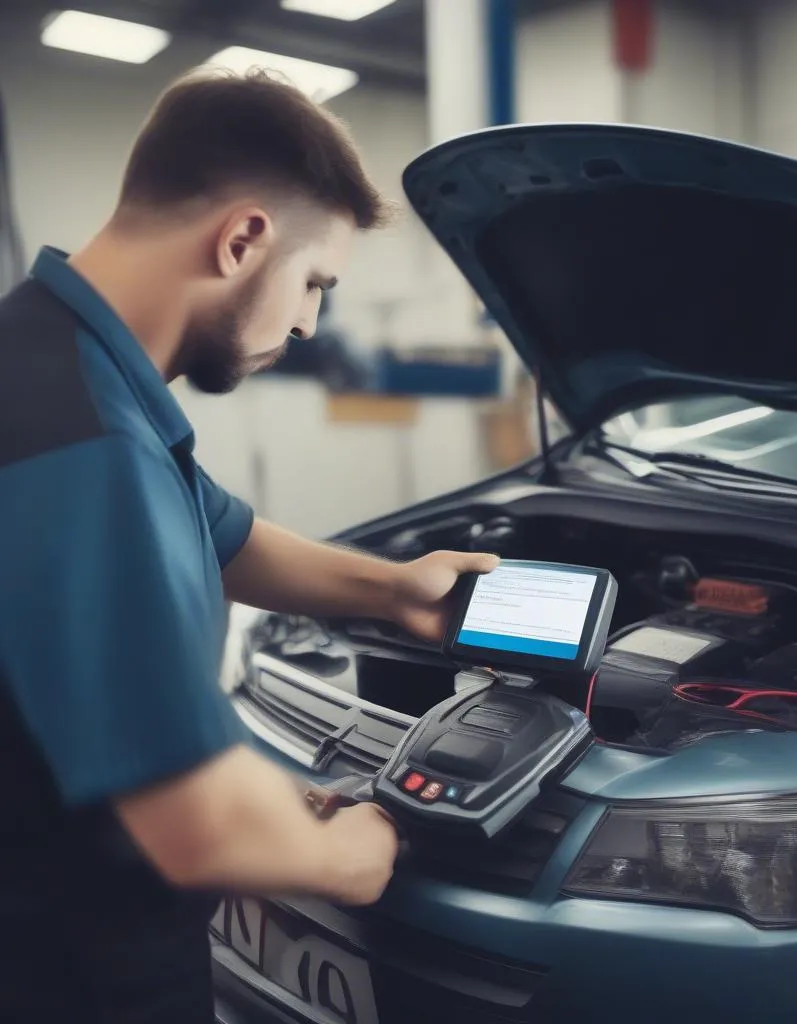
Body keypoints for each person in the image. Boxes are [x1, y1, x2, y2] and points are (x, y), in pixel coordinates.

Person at [0, 68, 498, 1023]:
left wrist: (396, 591)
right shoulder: (85, 447)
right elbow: (198, 830)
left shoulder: (62, 363)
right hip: (72, 968)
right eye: (315, 283)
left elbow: (217, 529)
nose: (311, 321)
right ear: (241, 240)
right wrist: (357, 853)